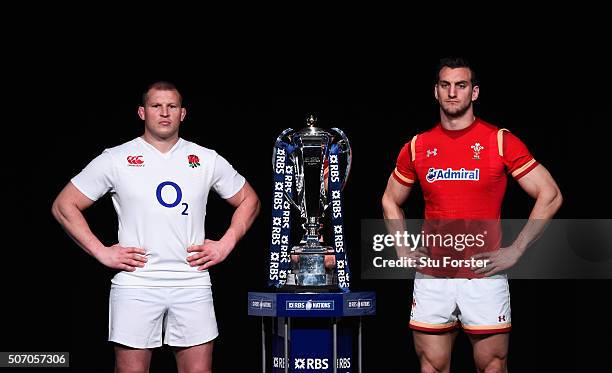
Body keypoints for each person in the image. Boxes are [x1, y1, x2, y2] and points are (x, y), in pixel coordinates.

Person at [51, 81, 260, 373]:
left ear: (182, 113)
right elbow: (64, 205)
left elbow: (249, 199)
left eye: (172, 106)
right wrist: (101, 252)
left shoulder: (205, 158)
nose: (164, 113)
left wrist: (226, 242)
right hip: (137, 283)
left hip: (191, 281)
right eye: (156, 106)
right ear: (142, 112)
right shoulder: (117, 158)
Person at [381, 58, 562, 373]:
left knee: (492, 366)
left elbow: (551, 194)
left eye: (461, 85)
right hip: (433, 276)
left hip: (483, 276)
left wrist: (517, 249)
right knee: (431, 366)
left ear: (474, 92)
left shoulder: (499, 140)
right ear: (436, 92)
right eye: (445, 85)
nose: (453, 93)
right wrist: (402, 248)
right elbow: (389, 200)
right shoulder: (417, 146)